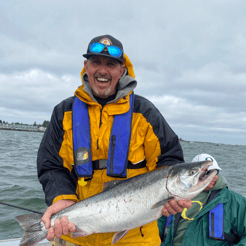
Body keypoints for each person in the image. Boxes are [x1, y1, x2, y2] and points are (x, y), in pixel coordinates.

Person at [37, 34, 192, 246]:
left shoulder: (145, 112)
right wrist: (62, 196)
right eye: (96, 62)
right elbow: (51, 164)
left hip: (135, 236)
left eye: (111, 64)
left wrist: (172, 194)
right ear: (86, 66)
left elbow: (170, 158)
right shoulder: (64, 112)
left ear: (122, 70)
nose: (102, 70)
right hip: (74, 229)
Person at [158, 153, 246, 246]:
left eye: (215, 172)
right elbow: (159, 224)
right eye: (207, 173)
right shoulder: (174, 196)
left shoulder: (236, 201)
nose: (212, 176)